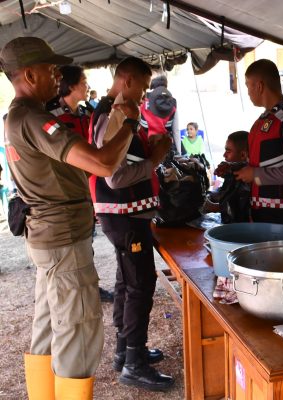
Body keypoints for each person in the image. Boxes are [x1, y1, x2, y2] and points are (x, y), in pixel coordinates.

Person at [1, 36, 139, 399]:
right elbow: (102, 163)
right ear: (28, 74)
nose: (56, 78)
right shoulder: (34, 118)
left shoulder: (15, 118)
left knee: (48, 328)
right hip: (63, 243)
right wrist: (128, 126)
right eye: (50, 71)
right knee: (77, 332)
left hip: (47, 240)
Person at [89, 57, 175, 391]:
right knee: (141, 283)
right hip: (124, 214)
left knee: (128, 282)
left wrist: (149, 150)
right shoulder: (116, 117)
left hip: (126, 214)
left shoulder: (119, 114)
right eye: (140, 86)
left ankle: (126, 351)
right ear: (126, 80)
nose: (143, 95)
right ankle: (134, 364)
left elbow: (125, 159)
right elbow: (116, 176)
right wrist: (156, 159)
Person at [46, 64, 115, 303]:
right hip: (67, 191)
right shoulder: (51, 117)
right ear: (71, 85)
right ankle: (82, 291)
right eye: (83, 81)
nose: (87, 86)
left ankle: (91, 287)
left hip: (89, 187)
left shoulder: (84, 114)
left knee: (87, 241)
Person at [234, 59, 283, 226]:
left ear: (259, 86)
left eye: (248, 85)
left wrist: (255, 174)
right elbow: (264, 161)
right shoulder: (265, 120)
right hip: (260, 213)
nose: (247, 92)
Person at [206, 130, 251, 223]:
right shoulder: (233, 173)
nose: (224, 155)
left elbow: (235, 207)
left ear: (243, 155)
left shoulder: (246, 178)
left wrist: (213, 207)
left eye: (228, 151)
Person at [139, 75, 179, 155]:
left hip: (145, 143)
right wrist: (178, 152)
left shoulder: (143, 98)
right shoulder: (173, 101)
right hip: (164, 145)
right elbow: (176, 131)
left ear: (152, 85)